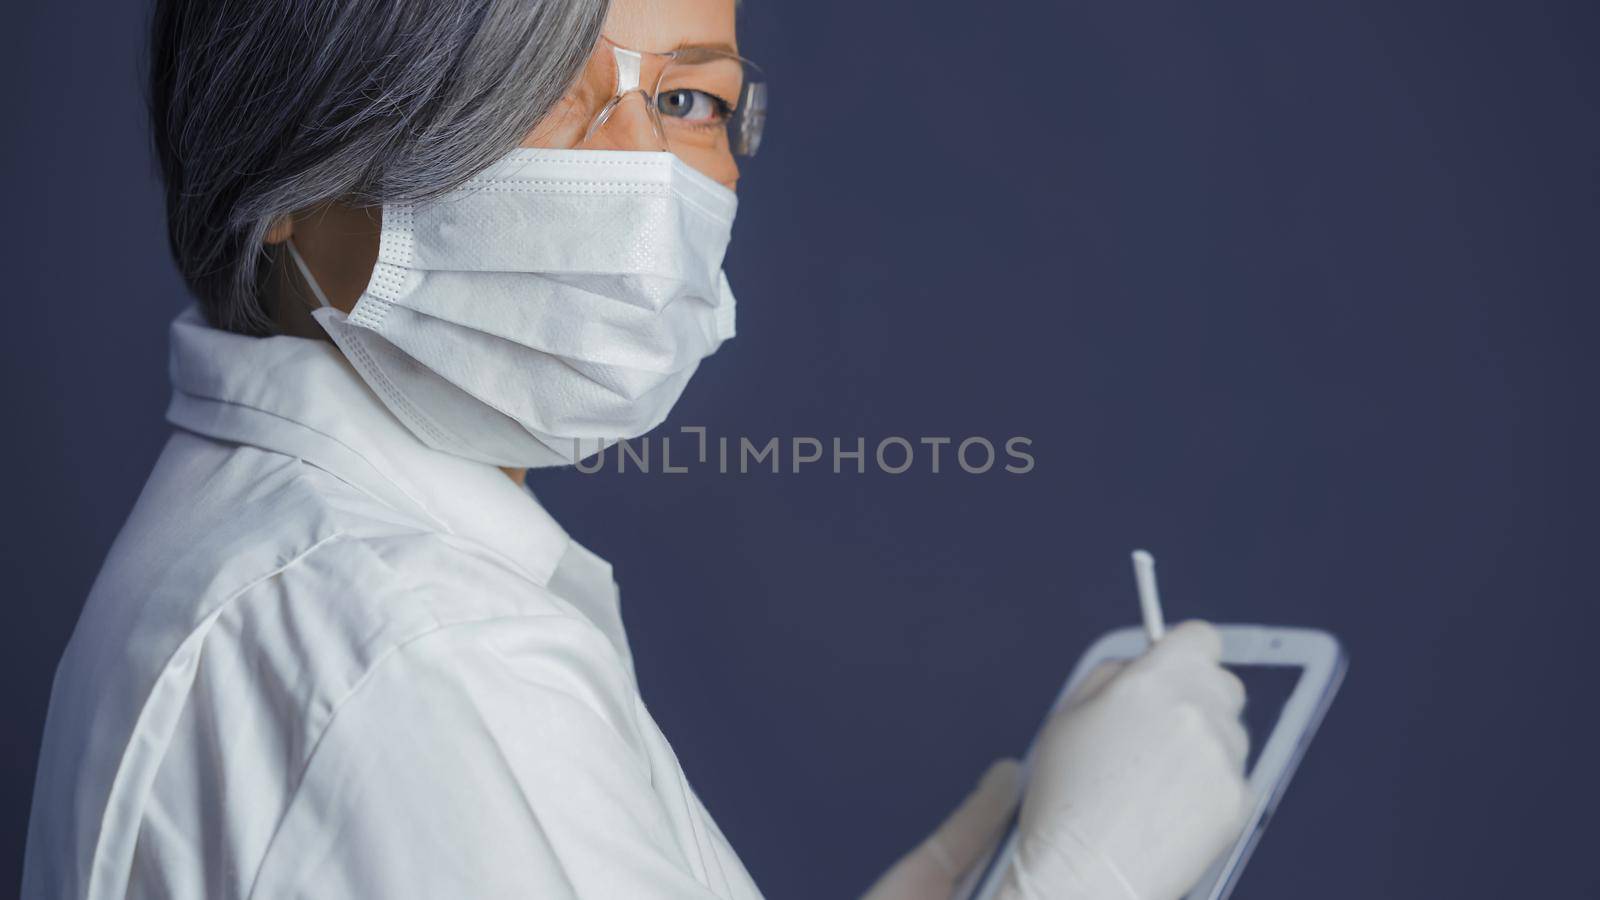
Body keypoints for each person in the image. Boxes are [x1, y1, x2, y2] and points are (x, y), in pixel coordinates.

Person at [23, 0, 1251, 897]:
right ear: (287, 153)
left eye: (686, 101)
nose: (641, 184)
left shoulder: (287, 551)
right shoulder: (422, 650)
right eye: (531, 82)